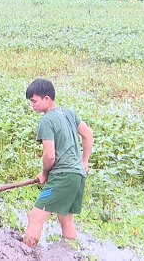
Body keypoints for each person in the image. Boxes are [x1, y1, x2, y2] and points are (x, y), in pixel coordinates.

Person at [23, 79, 93, 247]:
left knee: (35, 217)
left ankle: (25, 253)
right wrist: (84, 161)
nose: (32, 105)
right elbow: (88, 134)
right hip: (77, 175)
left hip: (63, 176)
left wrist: (45, 173)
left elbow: (49, 156)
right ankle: (69, 252)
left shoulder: (46, 121)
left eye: (34, 101)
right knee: (65, 217)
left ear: (47, 98)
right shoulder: (68, 113)